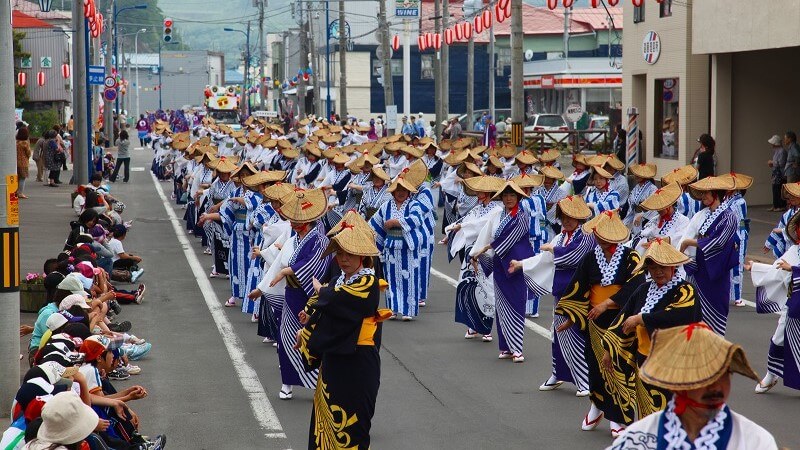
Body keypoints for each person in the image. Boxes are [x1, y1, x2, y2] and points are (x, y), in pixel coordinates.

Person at [295, 216, 391, 450]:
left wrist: (322, 293)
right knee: (324, 422)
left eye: (349, 254)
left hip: (357, 363)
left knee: (352, 427)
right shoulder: (339, 280)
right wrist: (306, 328)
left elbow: (337, 301)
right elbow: (323, 306)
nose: (343, 259)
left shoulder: (367, 281)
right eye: (339, 254)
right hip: (334, 362)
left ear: (363, 256)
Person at [607, 323, 777, 450]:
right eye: (704, 377)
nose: (716, 387)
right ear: (676, 382)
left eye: (723, 374)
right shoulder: (638, 439)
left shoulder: (755, 441)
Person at [554, 211, 646, 437]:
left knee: (619, 368)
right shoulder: (590, 257)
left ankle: (618, 416)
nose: (601, 239)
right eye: (598, 235)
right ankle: (597, 405)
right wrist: (571, 316)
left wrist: (607, 303)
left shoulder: (631, 257)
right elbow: (578, 286)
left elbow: (636, 286)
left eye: (605, 235)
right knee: (595, 367)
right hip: (594, 321)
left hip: (621, 320)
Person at [599, 239, 702, 433]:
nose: (658, 271)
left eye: (663, 267)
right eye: (653, 267)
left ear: (673, 267)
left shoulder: (685, 290)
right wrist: (609, 350)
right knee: (647, 411)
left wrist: (641, 318)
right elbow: (623, 318)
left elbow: (680, 316)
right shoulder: (643, 289)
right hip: (644, 359)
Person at [509, 195, 595, 396]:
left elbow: (574, 256)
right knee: (558, 334)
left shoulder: (586, 235)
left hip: (579, 293)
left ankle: (584, 380)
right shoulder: (562, 236)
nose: (567, 220)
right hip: (561, 291)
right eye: (564, 215)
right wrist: (522, 264)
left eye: (571, 216)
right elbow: (545, 257)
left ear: (580, 217)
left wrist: (555, 249)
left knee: (575, 333)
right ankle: (558, 373)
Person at [269, 189, 331, 400]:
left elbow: (314, 266)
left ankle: (316, 382)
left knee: (312, 338)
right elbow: (280, 261)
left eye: (297, 221)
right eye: (292, 220)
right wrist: (270, 281)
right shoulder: (293, 239)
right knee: (285, 337)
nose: (293, 224)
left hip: (310, 296)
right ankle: (287, 382)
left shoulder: (320, 240)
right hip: (291, 293)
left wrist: (287, 270)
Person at [471, 181, 534, 362]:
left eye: (512, 195)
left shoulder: (522, 216)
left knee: (516, 303)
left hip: (517, 265)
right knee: (502, 305)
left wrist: (487, 248)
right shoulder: (498, 215)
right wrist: (478, 252)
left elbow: (510, 237)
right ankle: (505, 347)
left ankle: (517, 347)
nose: (508, 199)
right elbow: (487, 233)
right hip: (500, 263)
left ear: (518, 197)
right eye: (505, 196)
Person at [746, 208, 800, 394]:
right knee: (778, 338)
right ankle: (772, 374)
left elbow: (788, 268)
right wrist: (756, 267)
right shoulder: (795, 250)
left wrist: (793, 270)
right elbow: (777, 269)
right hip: (794, 303)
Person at [679, 175, 739, 336]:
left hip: (715, 271)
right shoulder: (703, 214)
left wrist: (690, 243)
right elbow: (691, 234)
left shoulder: (729, 216)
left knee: (715, 315)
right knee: (693, 313)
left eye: (706, 193)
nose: (703, 196)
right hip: (698, 269)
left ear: (716, 194)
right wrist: (685, 249)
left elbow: (719, 243)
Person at [767, 134, 787, 211]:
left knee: (779, 189)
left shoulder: (782, 151)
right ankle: (775, 205)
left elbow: (781, 163)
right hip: (776, 173)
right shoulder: (776, 151)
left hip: (780, 174)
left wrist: (772, 162)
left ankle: (780, 206)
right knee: (775, 189)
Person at [16, 126, 31, 199]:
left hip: (15, 162)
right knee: (22, 178)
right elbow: (28, 153)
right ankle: (20, 193)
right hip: (23, 163)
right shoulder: (25, 143)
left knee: (17, 178)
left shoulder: (16, 142)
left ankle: (16, 191)